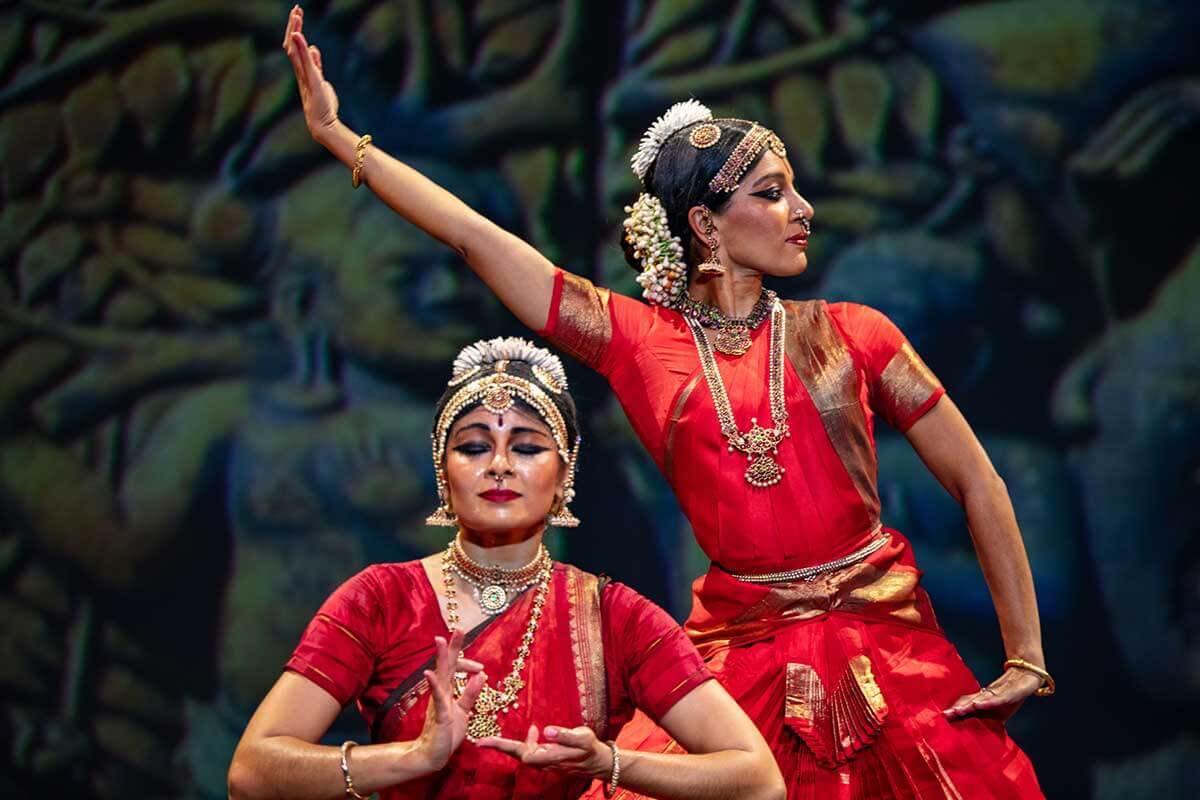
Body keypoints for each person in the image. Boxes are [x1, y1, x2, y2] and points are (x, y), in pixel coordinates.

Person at [281, 5, 1052, 796]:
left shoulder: (856, 333)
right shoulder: (634, 339)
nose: (804, 211)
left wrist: (1025, 651)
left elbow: (977, 481)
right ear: (705, 225)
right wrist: (346, 141)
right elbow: (475, 237)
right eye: (774, 193)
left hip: (888, 654)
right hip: (738, 660)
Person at [227, 336, 785, 800]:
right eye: (472, 447)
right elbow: (252, 773)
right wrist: (414, 757)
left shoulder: (614, 616)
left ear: (564, 476)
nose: (498, 465)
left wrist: (608, 763)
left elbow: (756, 780)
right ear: (444, 475)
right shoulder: (380, 598)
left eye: (526, 447)